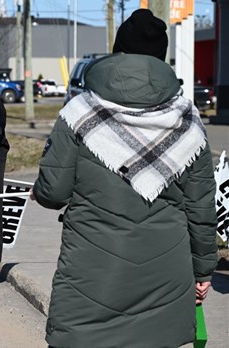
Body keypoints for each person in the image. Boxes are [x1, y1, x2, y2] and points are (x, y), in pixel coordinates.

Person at [32, 9, 218, 348]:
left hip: (93, 270)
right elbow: (201, 207)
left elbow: (52, 192)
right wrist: (203, 269)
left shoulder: (80, 111)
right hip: (166, 271)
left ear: (118, 50)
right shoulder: (188, 120)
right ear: (162, 57)